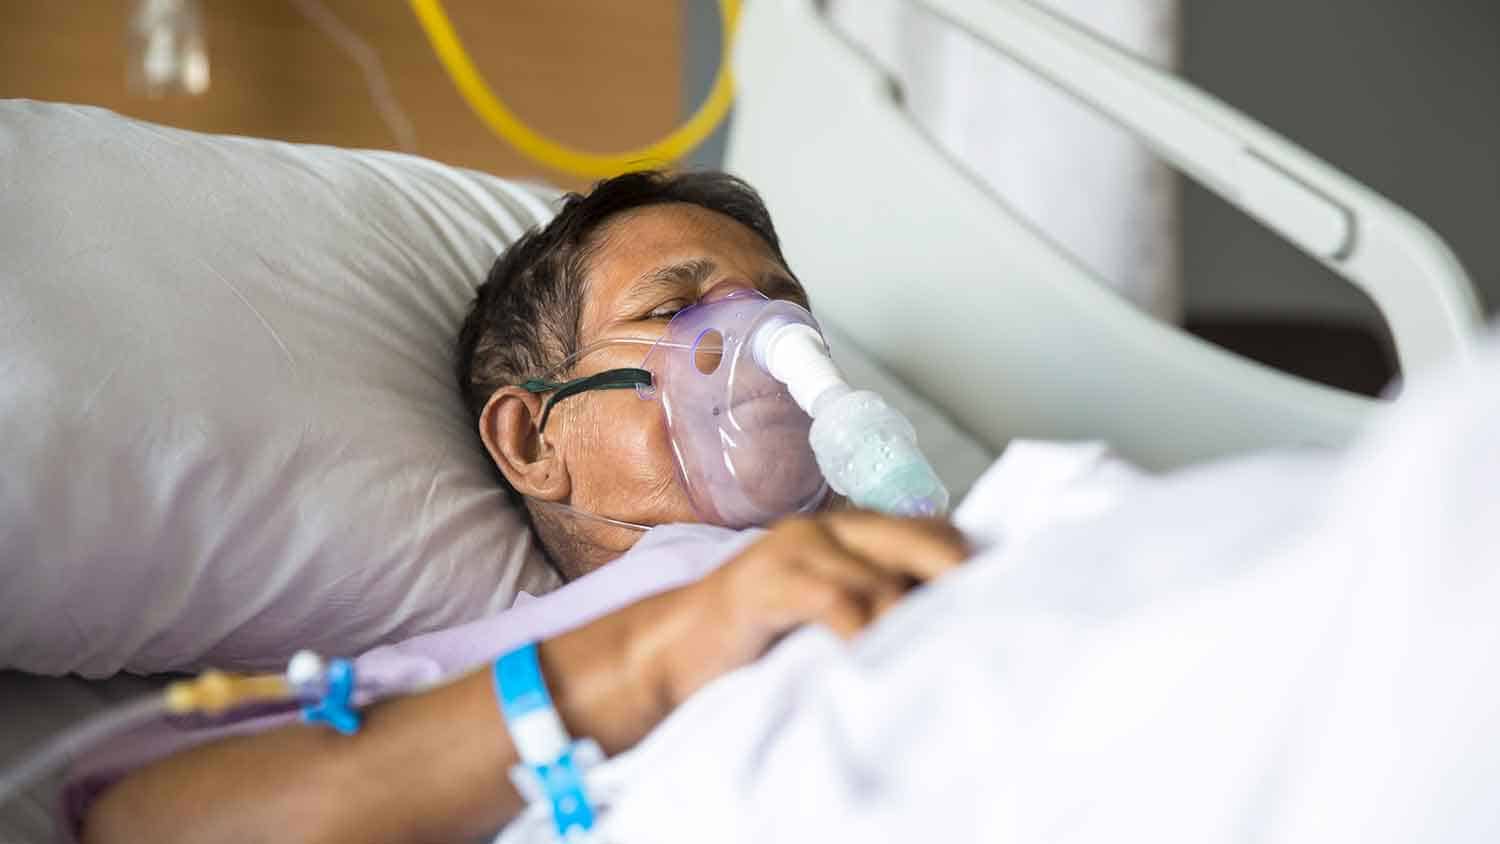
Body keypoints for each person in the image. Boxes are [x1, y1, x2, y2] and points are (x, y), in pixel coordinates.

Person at [78, 170, 968, 843]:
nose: (765, 339)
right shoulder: (535, 651)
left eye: (780, 304)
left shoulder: (928, 529)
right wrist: (658, 652)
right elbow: (146, 821)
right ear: (534, 443)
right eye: (675, 306)